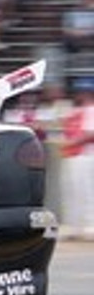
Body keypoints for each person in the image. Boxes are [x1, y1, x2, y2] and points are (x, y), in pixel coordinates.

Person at [60, 80, 94, 239]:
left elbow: (90, 134)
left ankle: (89, 226)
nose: (80, 94)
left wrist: (70, 143)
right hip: (72, 155)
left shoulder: (91, 110)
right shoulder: (75, 111)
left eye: (84, 92)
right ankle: (75, 227)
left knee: (87, 191)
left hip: (86, 155)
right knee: (72, 192)